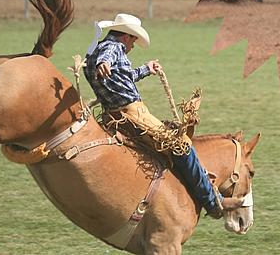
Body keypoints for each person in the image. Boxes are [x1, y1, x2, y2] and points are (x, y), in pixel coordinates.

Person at [84, 13, 242, 220]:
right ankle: (213, 202)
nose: (133, 46)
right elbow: (107, 57)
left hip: (113, 116)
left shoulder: (98, 49)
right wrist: (102, 63)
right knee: (182, 146)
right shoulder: (113, 48)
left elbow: (123, 76)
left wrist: (146, 69)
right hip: (134, 115)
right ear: (126, 37)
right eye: (133, 40)